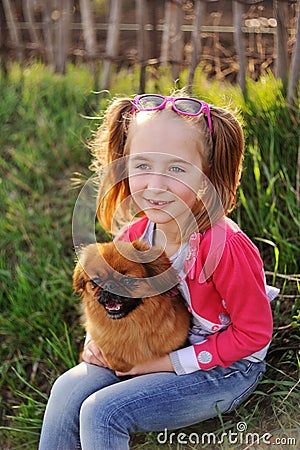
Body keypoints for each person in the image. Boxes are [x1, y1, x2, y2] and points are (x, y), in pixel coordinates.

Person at [39, 94, 279, 450]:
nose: (155, 185)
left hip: (226, 368)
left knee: (102, 412)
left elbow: (254, 334)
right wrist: (96, 343)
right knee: (67, 388)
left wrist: (165, 363)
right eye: (141, 166)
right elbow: (107, 298)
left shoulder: (225, 247)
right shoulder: (134, 238)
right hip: (156, 346)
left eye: (177, 169)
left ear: (206, 174)